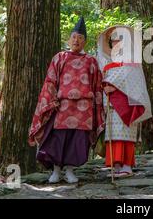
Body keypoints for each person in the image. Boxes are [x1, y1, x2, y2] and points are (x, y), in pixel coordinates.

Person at [28, 17, 105, 183]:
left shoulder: (91, 61)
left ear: (85, 42)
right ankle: (55, 171)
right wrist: (51, 99)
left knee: (77, 140)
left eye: (80, 38)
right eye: (74, 37)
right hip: (63, 105)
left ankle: (70, 171)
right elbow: (50, 81)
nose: (76, 40)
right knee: (58, 138)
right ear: (69, 39)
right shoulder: (60, 57)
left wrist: (97, 107)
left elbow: (97, 85)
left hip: (84, 108)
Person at [96, 25, 152, 178]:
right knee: (113, 134)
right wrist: (105, 86)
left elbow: (132, 77)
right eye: (113, 40)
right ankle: (117, 165)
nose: (116, 43)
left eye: (120, 39)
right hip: (111, 103)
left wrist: (113, 87)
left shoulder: (131, 58)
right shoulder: (108, 60)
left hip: (126, 102)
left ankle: (127, 166)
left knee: (125, 133)